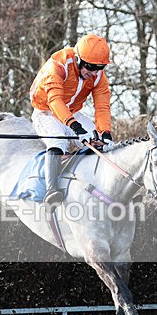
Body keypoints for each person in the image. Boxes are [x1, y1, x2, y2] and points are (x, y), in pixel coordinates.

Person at [29, 33, 117, 205]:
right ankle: (51, 190)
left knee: (98, 142)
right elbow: (55, 100)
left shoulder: (98, 76)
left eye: (99, 68)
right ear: (77, 59)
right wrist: (75, 128)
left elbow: (102, 106)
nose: (93, 73)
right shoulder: (57, 65)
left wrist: (105, 133)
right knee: (58, 143)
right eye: (89, 67)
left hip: (72, 112)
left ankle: (101, 188)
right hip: (46, 111)